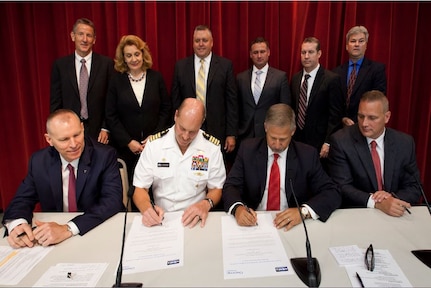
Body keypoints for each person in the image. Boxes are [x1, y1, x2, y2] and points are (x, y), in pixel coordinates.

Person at [2, 109, 123, 248]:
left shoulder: (104, 155)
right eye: (64, 139)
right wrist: (17, 224)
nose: (73, 144)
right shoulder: (39, 161)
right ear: (49, 140)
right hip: (53, 238)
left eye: (77, 135)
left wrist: (68, 229)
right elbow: (22, 199)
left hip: (95, 230)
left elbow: (112, 201)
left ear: (83, 128)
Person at [222, 103, 341, 230]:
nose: (277, 145)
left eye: (283, 139)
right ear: (266, 128)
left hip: (292, 225)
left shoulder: (307, 155)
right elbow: (231, 186)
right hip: (255, 223)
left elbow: (332, 192)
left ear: (293, 131)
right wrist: (238, 209)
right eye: (273, 138)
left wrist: (303, 212)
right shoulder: (248, 150)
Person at [133, 98, 226, 228]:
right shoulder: (155, 145)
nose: (186, 136)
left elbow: (216, 188)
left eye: (193, 131)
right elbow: (140, 188)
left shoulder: (211, 148)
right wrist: (147, 209)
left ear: (202, 123)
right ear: (175, 115)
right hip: (161, 218)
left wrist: (206, 204)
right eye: (182, 128)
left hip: (196, 219)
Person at [328, 90, 421, 216]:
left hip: (395, 214)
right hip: (357, 215)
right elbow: (341, 187)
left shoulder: (404, 143)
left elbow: (414, 187)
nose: (364, 123)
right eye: (361, 116)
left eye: (372, 118)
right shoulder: (341, 141)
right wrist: (376, 203)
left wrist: (390, 199)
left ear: (387, 117)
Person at [106, 35, 172, 181]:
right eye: (129, 55)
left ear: (143, 54)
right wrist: (128, 142)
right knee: (131, 188)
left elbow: (166, 110)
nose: (134, 59)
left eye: (137, 54)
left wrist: (154, 137)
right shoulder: (116, 81)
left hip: (155, 147)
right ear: (123, 58)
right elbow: (111, 115)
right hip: (126, 149)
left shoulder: (156, 78)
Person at [171, 25, 238, 160]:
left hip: (217, 130)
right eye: (197, 41)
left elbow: (232, 102)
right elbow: (175, 101)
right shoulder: (181, 66)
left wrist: (231, 133)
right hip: (187, 131)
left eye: (204, 40)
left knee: (214, 169)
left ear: (212, 42)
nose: (201, 44)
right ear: (193, 43)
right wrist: (175, 129)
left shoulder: (225, 66)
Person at [50, 18, 114, 144]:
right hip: (70, 132)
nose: (85, 39)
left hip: (100, 133)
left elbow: (111, 101)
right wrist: (58, 130)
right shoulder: (60, 65)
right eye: (81, 34)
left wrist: (106, 127)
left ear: (94, 39)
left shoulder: (107, 64)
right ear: (73, 36)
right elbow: (56, 102)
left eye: (89, 35)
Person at [290, 37, 344, 159]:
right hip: (297, 141)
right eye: (303, 52)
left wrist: (328, 142)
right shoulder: (295, 79)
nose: (306, 56)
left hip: (320, 144)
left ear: (319, 54)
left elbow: (335, 115)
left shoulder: (331, 79)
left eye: (311, 52)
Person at [236, 37, 291, 142]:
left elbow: (285, 109)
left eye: (262, 52)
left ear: (268, 52)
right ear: (251, 54)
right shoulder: (240, 78)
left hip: (271, 134)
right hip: (245, 134)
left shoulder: (280, 77)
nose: (259, 56)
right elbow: (236, 108)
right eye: (255, 52)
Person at [333, 25, 387, 127]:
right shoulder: (336, 72)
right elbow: (334, 102)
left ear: (366, 45)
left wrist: (357, 119)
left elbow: (378, 100)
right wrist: (343, 118)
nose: (357, 44)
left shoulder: (376, 70)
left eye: (361, 41)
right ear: (346, 46)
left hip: (366, 125)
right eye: (353, 41)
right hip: (340, 128)